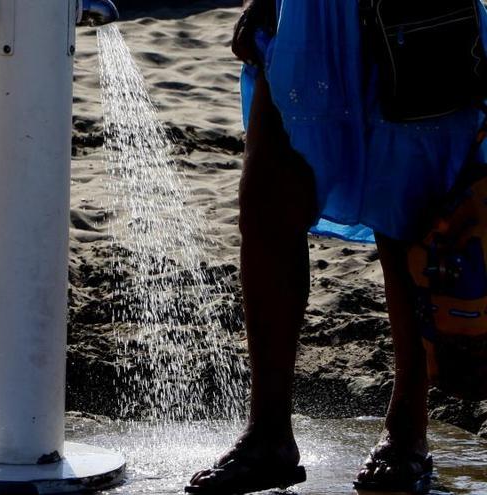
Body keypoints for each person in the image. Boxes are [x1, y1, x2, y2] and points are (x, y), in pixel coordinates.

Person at [187, 0, 487, 494]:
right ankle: (268, 435)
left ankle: (408, 432)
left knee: (410, 217)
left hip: (415, 13)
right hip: (307, 13)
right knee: (267, 205)